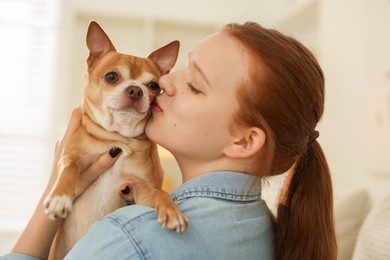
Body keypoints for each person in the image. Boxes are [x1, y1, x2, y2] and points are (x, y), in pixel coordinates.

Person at [1, 21, 336, 260]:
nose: (167, 82)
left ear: (244, 141)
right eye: (183, 68)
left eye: (195, 85)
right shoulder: (269, 230)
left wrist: (49, 198)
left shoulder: (132, 237)